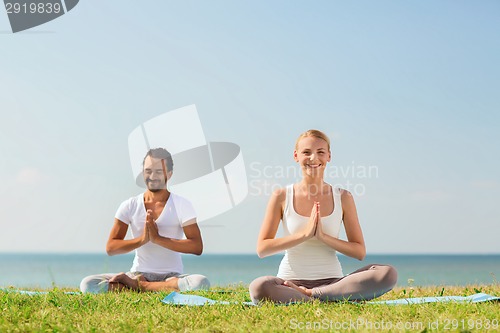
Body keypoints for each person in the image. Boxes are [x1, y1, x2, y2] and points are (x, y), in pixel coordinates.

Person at [249, 130, 397, 304]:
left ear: (329, 156)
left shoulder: (343, 197)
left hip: (334, 283)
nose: (313, 158)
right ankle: (326, 299)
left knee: (387, 273)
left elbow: (359, 252)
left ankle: (312, 295)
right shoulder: (281, 195)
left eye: (320, 152)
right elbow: (262, 248)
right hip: (289, 284)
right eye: (306, 152)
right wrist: (304, 235)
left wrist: (323, 237)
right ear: (296, 156)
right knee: (259, 287)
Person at [80, 148, 210, 293]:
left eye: (158, 172)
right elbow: (111, 247)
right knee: (88, 284)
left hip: (172, 277)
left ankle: (137, 287)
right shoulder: (130, 205)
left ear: (169, 174)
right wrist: (143, 239)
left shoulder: (182, 204)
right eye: (148, 171)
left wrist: (158, 239)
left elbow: (196, 246)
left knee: (201, 283)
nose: (152, 176)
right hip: (139, 274)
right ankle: (154, 287)